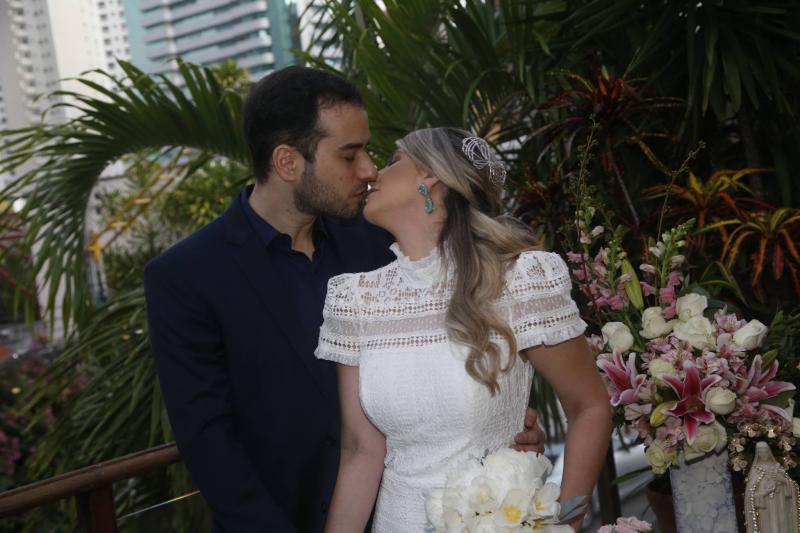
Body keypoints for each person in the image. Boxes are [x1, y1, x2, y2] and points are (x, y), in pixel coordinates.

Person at [144, 67, 545, 532]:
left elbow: (458, 340)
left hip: (416, 513)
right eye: (350, 154)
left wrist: (501, 425)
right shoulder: (186, 276)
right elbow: (208, 441)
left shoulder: (383, 237)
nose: (369, 169)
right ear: (288, 162)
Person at [315, 128, 612, 532]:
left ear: (430, 175)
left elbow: (590, 407)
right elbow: (360, 451)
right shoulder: (356, 299)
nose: (372, 174)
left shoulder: (521, 280)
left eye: (393, 161)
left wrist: (564, 524)